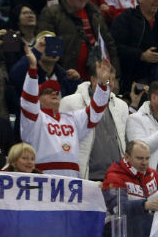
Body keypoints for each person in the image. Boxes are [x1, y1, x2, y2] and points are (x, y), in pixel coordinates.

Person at [18, 42, 109, 176]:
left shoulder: (71, 118)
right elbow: (28, 101)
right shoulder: (34, 119)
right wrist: (32, 68)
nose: (54, 93)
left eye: (56, 91)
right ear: (38, 99)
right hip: (43, 178)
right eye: (48, 91)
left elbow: (96, 111)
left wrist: (102, 83)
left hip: (71, 181)